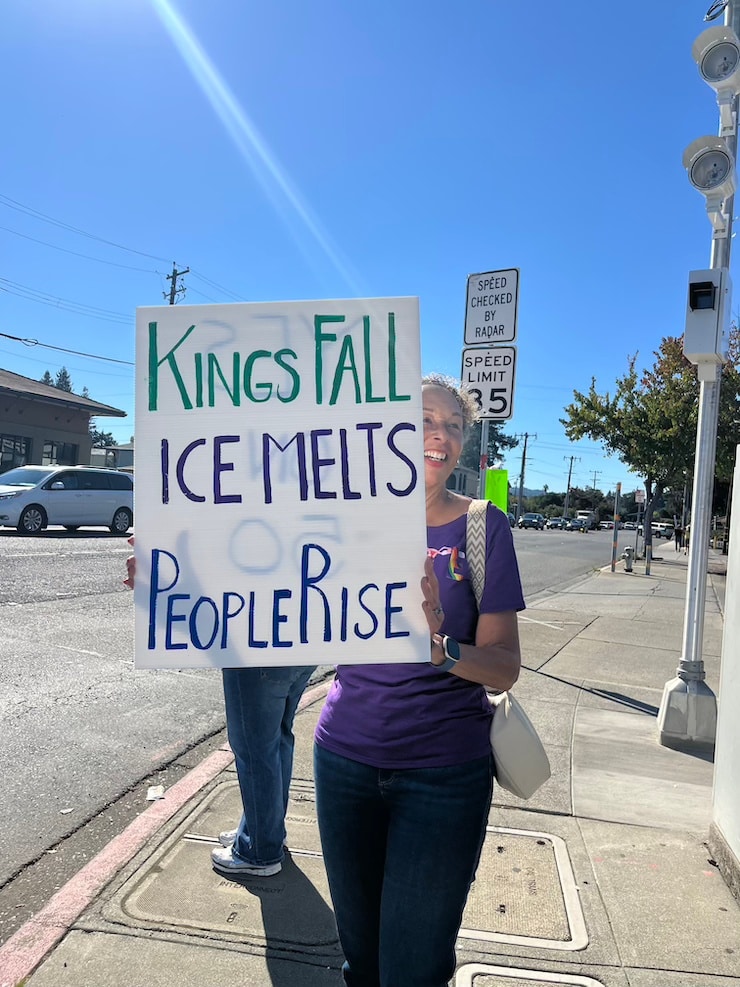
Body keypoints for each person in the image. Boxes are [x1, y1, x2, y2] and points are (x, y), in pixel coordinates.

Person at [313, 374, 525, 987]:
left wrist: (440, 647)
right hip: (344, 762)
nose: (439, 437)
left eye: (453, 426)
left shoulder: (485, 528)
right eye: (425, 421)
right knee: (362, 961)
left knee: (413, 969)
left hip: (443, 775)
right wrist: (176, 565)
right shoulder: (346, 518)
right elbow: (259, 582)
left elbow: (504, 665)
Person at [124, 545, 314, 878]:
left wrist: (164, 561)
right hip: (300, 632)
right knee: (277, 738)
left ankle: (260, 848)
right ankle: (264, 830)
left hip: (255, 640)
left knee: (256, 748)